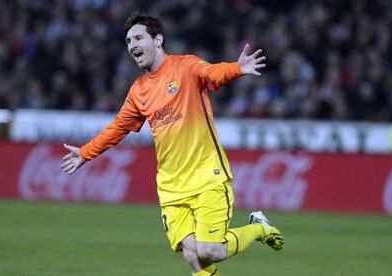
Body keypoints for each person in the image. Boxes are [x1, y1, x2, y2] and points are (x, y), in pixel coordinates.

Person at [61, 14, 284, 276]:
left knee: (211, 251)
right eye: (128, 40)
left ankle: (259, 227)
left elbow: (212, 72)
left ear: (158, 39)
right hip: (171, 187)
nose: (132, 44)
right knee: (192, 255)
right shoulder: (139, 91)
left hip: (206, 177)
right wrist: (86, 153)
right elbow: (119, 127)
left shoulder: (186, 66)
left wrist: (236, 68)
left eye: (138, 37)